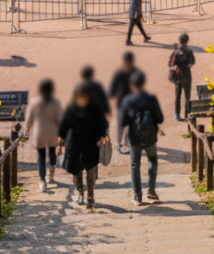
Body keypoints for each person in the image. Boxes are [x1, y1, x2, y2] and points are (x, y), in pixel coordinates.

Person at [57, 82, 109, 210]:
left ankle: (91, 197)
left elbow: (103, 124)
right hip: (74, 147)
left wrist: (102, 137)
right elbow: (63, 126)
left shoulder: (95, 109)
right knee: (76, 173)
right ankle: (80, 192)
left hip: (90, 147)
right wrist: (59, 144)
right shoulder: (71, 109)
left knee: (91, 174)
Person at [118, 69, 164, 206]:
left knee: (135, 165)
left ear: (132, 84)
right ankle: (151, 191)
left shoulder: (128, 101)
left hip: (134, 139)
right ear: (144, 83)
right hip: (150, 137)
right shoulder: (151, 99)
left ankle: (138, 196)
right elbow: (160, 118)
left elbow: (122, 122)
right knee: (153, 161)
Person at [24, 78, 63, 192]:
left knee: (40, 156)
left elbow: (29, 118)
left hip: (39, 132)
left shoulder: (35, 102)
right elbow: (60, 119)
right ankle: (51, 174)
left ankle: (42, 180)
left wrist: (27, 130)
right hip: (52, 132)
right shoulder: (55, 102)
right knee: (52, 154)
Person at [109, 51, 137, 151]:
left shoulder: (128, 72)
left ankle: (125, 142)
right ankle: (121, 142)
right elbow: (113, 87)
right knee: (122, 123)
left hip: (130, 103)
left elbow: (112, 88)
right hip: (122, 103)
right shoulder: (122, 73)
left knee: (129, 124)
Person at [169, 32, 196, 121]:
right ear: (187, 41)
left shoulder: (176, 52)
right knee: (187, 96)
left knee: (178, 96)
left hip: (178, 77)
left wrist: (176, 68)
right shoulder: (189, 51)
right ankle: (187, 114)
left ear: (179, 40)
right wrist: (187, 66)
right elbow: (192, 62)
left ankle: (177, 114)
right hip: (187, 75)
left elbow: (170, 64)